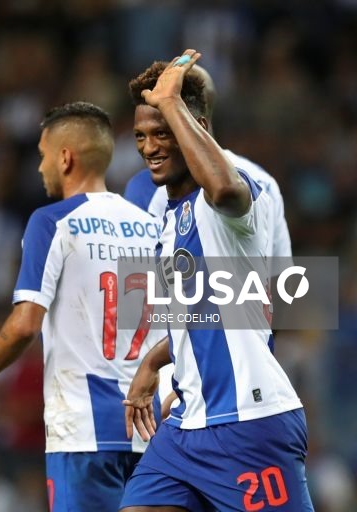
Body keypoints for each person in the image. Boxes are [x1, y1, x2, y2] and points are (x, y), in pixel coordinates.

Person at [119, 50, 313, 511]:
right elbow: (201, 308)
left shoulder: (234, 187)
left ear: (195, 126)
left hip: (249, 421)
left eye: (162, 131)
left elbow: (283, 295)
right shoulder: (166, 214)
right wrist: (157, 361)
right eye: (140, 136)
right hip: (186, 425)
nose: (148, 148)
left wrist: (171, 104)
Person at [0, 101, 165, 512]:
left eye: (42, 156)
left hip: (83, 432)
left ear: (65, 157)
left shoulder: (53, 221)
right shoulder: (152, 227)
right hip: (151, 431)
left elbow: (25, 325)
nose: (39, 168)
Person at [123, 64, 293, 417]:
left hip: (217, 382)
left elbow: (274, 294)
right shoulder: (150, 183)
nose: (149, 145)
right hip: (180, 372)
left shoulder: (243, 185)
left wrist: (199, 379)